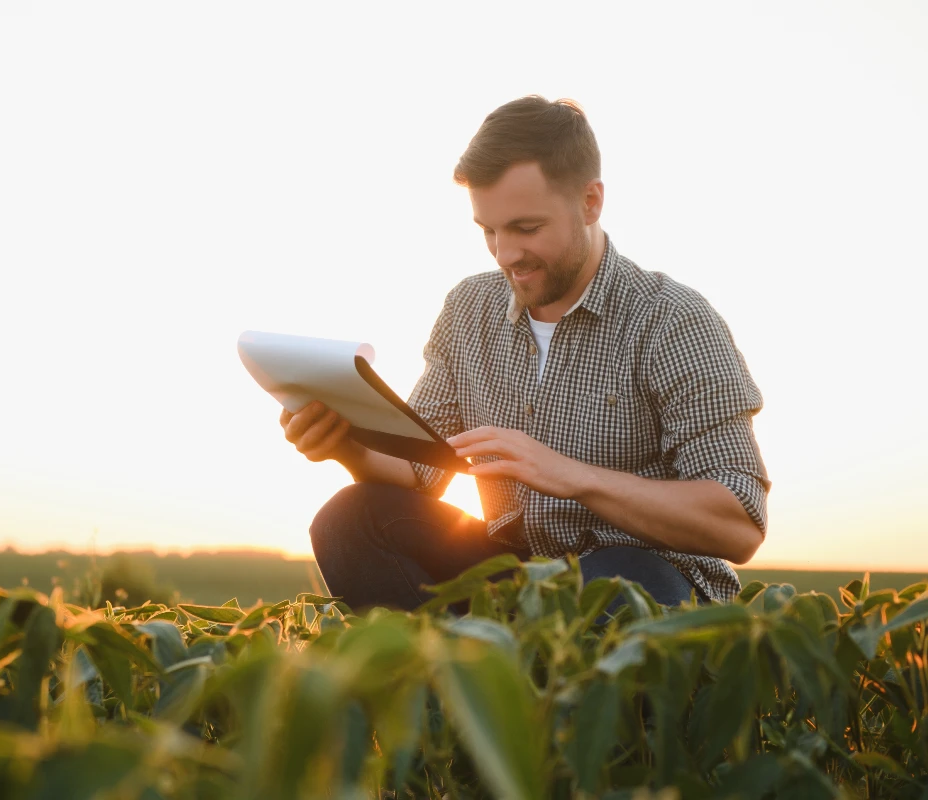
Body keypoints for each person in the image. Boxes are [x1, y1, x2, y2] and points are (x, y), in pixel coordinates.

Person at [280, 95, 769, 611]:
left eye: (526, 229)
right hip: (516, 571)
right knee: (349, 519)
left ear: (590, 202)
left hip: (645, 575)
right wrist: (345, 446)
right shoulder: (469, 308)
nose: (506, 254)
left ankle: (517, 671)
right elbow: (422, 471)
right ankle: (450, 679)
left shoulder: (673, 320)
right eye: (489, 231)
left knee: (616, 588)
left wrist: (575, 477)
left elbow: (738, 523)